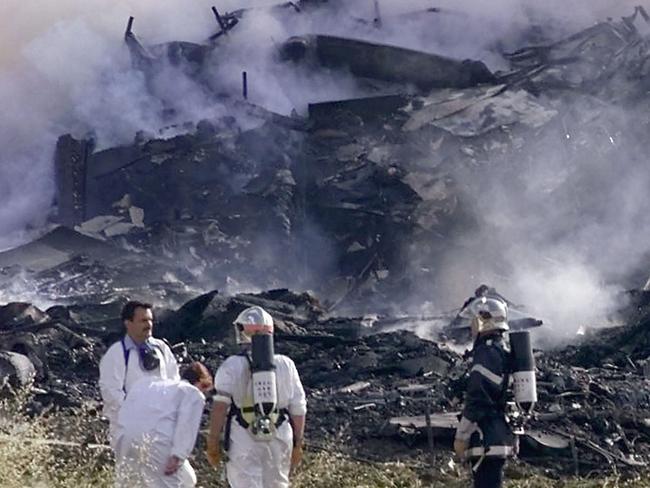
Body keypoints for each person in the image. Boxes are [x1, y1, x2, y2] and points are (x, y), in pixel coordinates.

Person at [205, 306, 307, 488]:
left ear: (244, 332)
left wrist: (212, 442)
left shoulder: (232, 365)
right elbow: (298, 408)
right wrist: (298, 443)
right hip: (280, 433)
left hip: (244, 435)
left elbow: (220, 407)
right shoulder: (287, 365)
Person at [113, 362, 212, 487]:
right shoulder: (192, 393)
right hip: (157, 442)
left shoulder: (145, 384)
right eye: (203, 388)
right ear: (199, 382)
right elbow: (186, 426)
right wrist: (178, 455)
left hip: (125, 439)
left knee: (131, 483)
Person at [454, 297, 516, 488]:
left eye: (473, 321)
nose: (471, 327)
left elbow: (478, 398)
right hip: (498, 437)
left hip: (485, 438)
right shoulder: (500, 351)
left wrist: (461, 436)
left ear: (484, 321)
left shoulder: (486, 353)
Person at [99, 300, 180, 448]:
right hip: (130, 433)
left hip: (161, 429)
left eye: (150, 320)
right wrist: (136, 414)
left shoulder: (161, 348)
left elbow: (173, 381)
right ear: (128, 323)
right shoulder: (117, 353)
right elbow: (110, 391)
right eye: (143, 320)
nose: (148, 325)